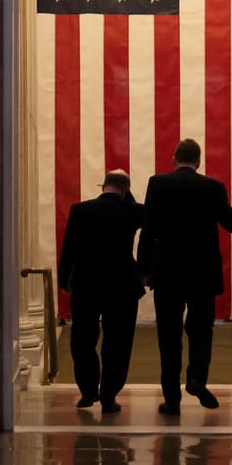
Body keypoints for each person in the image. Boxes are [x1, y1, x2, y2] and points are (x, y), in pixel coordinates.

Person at [137, 139, 232, 416]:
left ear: (174, 158)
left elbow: (148, 230)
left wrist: (143, 269)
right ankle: (196, 379)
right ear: (199, 161)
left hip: (168, 271)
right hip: (202, 273)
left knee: (168, 334)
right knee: (201, 330)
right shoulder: (213, 187)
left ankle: (172, 400)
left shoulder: (157, 184)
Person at [58, 169, 145, 413]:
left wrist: (65, 281)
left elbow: (69, 249)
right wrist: (127, 197)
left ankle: (88, 390)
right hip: (122, 285)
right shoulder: (133, 211)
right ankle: (109, 395)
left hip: (87, 283)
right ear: (125, 189)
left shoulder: (80, 210)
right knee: (118, 342)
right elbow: (146, 216)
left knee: (83, 339)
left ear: (102, 186)